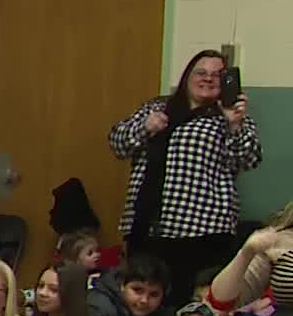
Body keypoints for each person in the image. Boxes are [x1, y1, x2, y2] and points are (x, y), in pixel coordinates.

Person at [110, 49, 261, 296]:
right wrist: (145, 127)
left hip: (202, 231)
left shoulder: (228, 117)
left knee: (189, 304)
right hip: (148, 228)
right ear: (187, 77)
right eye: (201, 72)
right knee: (143, 298)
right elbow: (117, 143)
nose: (208, 78)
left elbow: (249, 160)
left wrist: (234, 124)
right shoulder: (158, 107)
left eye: (217, 75)